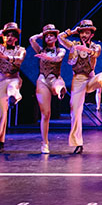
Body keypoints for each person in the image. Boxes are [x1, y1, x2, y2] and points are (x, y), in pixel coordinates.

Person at [59, 19, 102, 154]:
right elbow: (60, 38)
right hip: (78, 80)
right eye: (82, 32)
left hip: (90, 77)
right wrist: (72, 31)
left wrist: (87, 50)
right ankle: (78, 143)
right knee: (75, 111)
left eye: (87, 32)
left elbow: (95, 53)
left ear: (91, 34)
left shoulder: (96, 46)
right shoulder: (73, 45)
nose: (84, 34)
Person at [0, 22, 26, 153]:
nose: (10, 38)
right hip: (0, 79)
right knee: (1, 112)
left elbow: (19, 60)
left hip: (14, 77)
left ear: (16, 38)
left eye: (13, 35)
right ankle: (0, 141)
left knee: (13, 88)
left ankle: (15, 97)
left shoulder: (21, 49)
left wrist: (4, 57)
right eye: (7, 35)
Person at [29, 24, 67, 154]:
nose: (49, 37)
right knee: (46, 114)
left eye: (52, 35)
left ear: (56, 37)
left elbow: (58, 59)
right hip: (42, 80)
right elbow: (31, 39)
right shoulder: (40, 50)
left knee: (58, 83)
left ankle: (60, 91)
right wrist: (42, 34)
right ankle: (44, 142)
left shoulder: (60, 50)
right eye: (47, 36)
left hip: (54, 78)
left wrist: (48, 58)